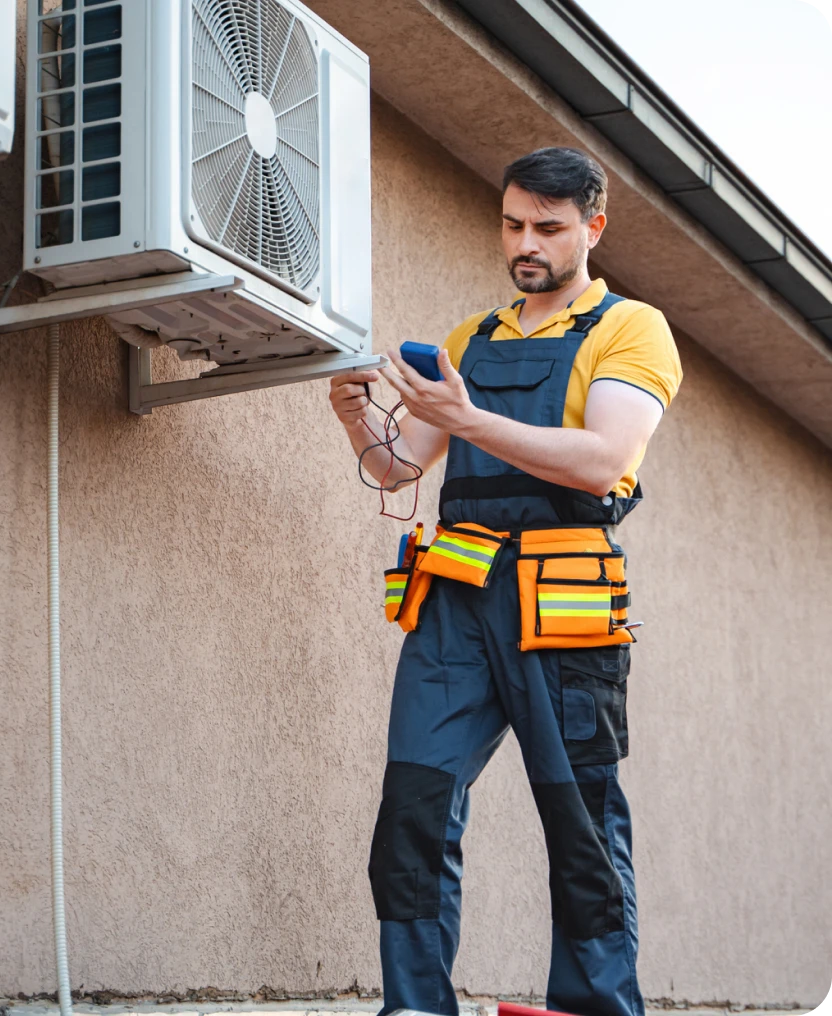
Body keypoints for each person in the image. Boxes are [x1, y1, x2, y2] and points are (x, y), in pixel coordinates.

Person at [328, 147, 682, 1016]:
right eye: (513, 223)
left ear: (592, 228)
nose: (526, 243)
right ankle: (414, 1005)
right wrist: (352, 417)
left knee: (581, 824)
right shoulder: (469, 341)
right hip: (454, 600)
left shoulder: (630, 330)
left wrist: (468, 416)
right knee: (412, 811)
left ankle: (596, 1007)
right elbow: (396, 467)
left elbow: (603, 460)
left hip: (562, 600)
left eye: (548, 228)